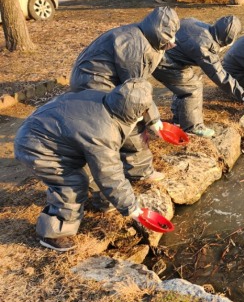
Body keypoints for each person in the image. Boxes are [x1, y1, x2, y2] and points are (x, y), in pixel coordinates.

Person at [14, 79, 156, 252]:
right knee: (72, 184)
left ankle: (104, 202)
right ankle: (54, 232)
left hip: (49, 132)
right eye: (141, 111)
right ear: (131, 111)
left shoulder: (105, 98)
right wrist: (132, 209)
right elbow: (109, 174)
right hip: (36, 146)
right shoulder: (103, 132)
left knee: (92, 169)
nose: (143, 115)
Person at [69, 6, 180, 182]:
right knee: (129, 118)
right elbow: (136, 90)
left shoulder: (144, 36)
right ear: (158, 31)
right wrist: (154, 121)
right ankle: (140, 171)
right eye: (168, 35)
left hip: (95, 77)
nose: (173, 40)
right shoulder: (135, 47)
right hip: (94, 82)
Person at [152, 15, 244, 138]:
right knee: (193, 88)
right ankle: (192, 127)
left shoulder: (197, 24)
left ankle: (179, 119)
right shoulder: (205, 47)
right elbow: (220, 75)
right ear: (228, 40)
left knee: (184, 84)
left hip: (163, 54)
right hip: (164, 62)